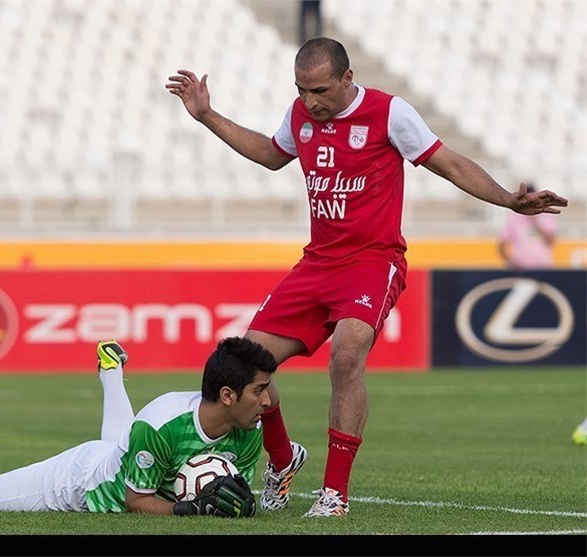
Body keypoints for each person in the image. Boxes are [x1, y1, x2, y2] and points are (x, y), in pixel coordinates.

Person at [165, 37, 569, 517]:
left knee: (347, 352)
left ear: (347, 79)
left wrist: (507, 200)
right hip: (317, 263)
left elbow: (451, 164)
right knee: (244, 364)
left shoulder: (389, 113)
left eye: (319, 90)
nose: (310, 101)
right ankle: (282, 459)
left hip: (373, 262)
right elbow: (272, 154)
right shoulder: (300, 115)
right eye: (301, 90)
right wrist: (208, 116)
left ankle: (334, 494)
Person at [0, 338, 277, 517]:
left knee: (124, 447)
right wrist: (190, 510)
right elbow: (135, 501)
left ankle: (111, 368)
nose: (267, 401)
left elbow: (235, 492)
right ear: (227, 395)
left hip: (120, 457)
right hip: (81, 482)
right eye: (259, 390)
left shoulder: (249, 428)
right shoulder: (161, 424)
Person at [498, 184, 558, 270]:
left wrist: (535, 222)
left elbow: (551, 241)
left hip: (543, 267)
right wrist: (512, 262)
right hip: (521, 269)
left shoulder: (546, 216)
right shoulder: (514, 218)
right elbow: (502, 246)